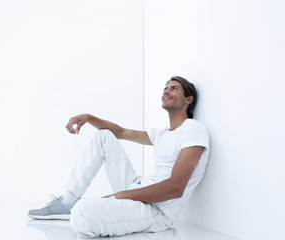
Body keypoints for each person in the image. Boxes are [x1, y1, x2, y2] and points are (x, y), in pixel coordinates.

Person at [28, 76, 210, 238]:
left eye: (174, 88)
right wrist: (87, 117)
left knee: (81, 215)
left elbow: (175, 188)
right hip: (139, 187)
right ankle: (69, 200)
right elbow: (121, 132)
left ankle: (79, 208)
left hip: (157, 209)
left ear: (188, 99)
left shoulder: (193, 130)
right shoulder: (161, 134)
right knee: (105, 136)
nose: (166, 91)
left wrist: (120, 196)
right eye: (165, 88)